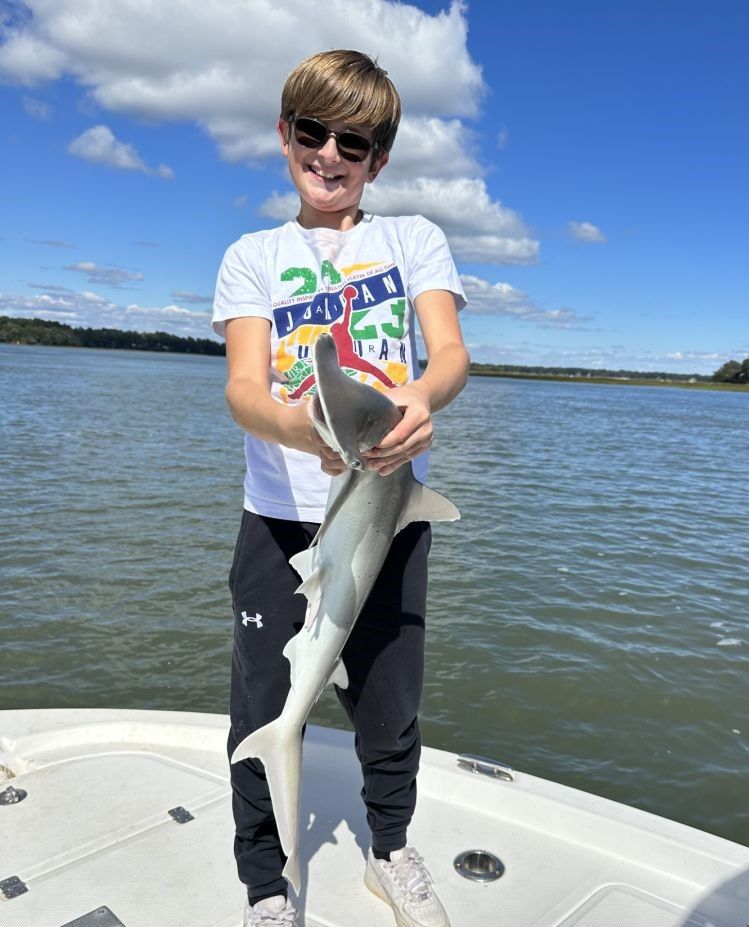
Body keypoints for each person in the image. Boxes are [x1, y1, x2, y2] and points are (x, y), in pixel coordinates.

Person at [212, 49, 469, 927]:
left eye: (352, 142)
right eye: (312, 132)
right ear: (285, 135)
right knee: (259, 699)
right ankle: (263, 880)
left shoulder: (414, 240)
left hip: (391, 516)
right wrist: (300, 429)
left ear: (378, 159)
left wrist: (421, 399)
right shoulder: (251, 255)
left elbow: (450, 355)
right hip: (280, 522)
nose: (329, 154)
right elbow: (246, 389)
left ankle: (390, 851)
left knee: (391, 703)